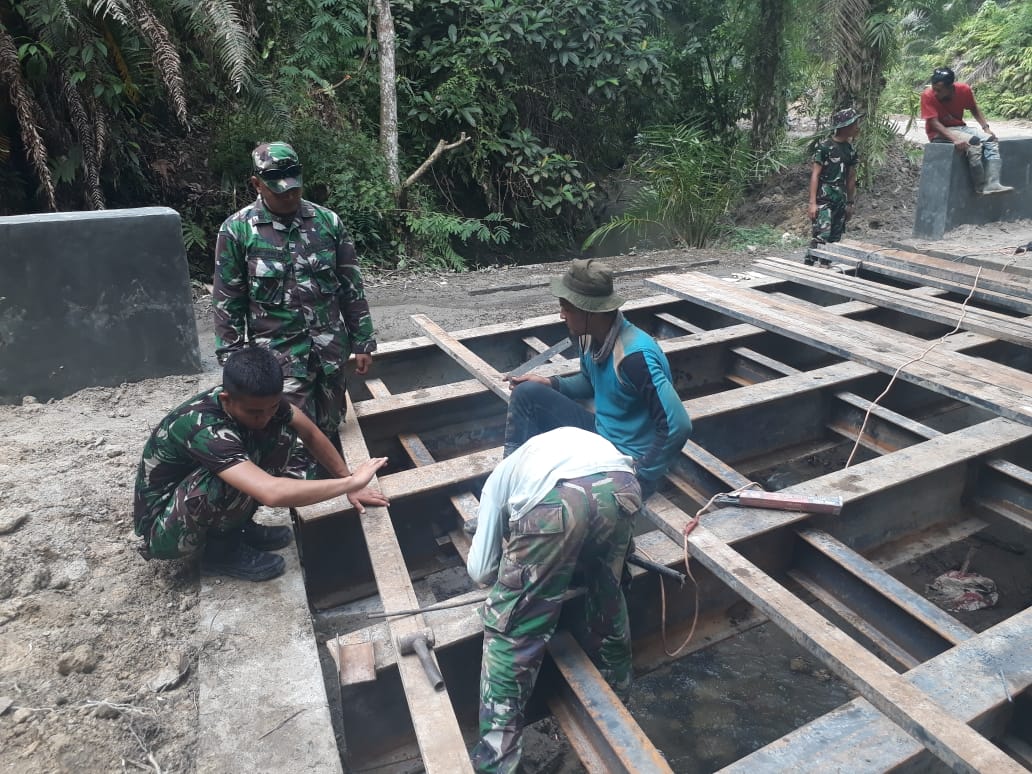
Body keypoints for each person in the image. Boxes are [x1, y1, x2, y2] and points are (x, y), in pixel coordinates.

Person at [467, 427, 642, 773]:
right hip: (622, 486)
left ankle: (497, 761)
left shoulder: (497, 482)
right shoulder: (560, 443)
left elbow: (480, 571)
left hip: (554, 503)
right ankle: (621, 689)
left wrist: (517, 561)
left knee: (511, 628)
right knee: (607, 587)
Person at [133, 347, 388, 581]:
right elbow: (271, 492)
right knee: (223, 476)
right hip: (166, 531)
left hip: (188, 506)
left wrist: (349, 481)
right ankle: (221, 552)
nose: (265, 416)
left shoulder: (261, 403)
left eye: (273, 406)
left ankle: (237, 528)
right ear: (225, 399)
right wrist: (349, 483)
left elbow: (310, 433)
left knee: (282, 433)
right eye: (255, 412)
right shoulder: (203, 425)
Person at [212, 141, 377, 475]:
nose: (288, 196)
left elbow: (350, 286)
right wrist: (234, 366)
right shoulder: (237, 230)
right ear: (257, 184)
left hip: (329, 354)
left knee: (331, 424)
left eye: (294, 189)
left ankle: (334, 487)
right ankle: (305, 509)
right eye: (278, 191)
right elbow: (228, 301)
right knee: (289, 440)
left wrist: (363, 341)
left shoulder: (328, 222)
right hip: (279, 360)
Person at [503, 259, 691, 499]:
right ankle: (509, 487)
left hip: (626, 459)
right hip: (601, 436)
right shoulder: (589, 337)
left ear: (589, 311)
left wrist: (642, 473)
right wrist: (550, 383)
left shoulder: (634, 358)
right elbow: (590, 382)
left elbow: (678, 425)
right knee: (527, 393)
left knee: (566, 505)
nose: (561, 315)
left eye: (566, 308)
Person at [920, 67, 1013, 195]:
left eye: (939, 90)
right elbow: (934, 123)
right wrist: (954, 139)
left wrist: (986, 128)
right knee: (974, 143)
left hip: (959, 127)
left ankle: (992, 183)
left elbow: (974, 108)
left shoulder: (964, 90)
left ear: (950, 87)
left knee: (991, 140)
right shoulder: (927, 95)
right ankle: (980, 187)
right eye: (934, 88)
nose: (935, 93)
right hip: (939, 132)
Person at [806, 107, 861, 263]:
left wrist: (850, 203)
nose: (857, 127)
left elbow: (851, 177)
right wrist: (812, 203)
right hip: (824, 198)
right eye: (855, 124)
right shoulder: (824, 147)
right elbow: (815, 175)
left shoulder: (850, 150)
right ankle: (807, 267)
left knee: (834, 239)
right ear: (846, 126)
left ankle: (825, 269)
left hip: (840, 199)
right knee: (821, 236)